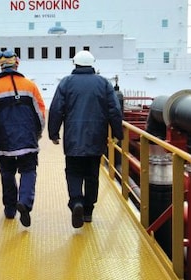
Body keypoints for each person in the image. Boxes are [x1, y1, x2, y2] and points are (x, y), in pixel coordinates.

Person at [48, 50, 123, 228]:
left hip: (73, 138)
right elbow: (114, 110)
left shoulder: (66, 82)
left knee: (73, 172)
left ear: (75, 63)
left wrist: (53, 133)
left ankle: (76, 202)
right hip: (96, 138)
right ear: (92, 64)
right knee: (92, 175)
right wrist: (118, 134)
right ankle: (88, 211)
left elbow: (56, 109)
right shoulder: (103, 83)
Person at [0, 50, 46, 227]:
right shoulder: (30, 85)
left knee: (7, 174)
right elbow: (40, 113)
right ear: (16, 64)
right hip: (27, 139)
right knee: (28, 171)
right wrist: (38, 132)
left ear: (0, 66)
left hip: (4, 141)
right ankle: (25, 202)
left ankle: (9, 209)